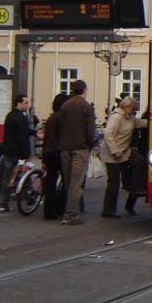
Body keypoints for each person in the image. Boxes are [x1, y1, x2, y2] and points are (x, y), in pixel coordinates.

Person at [100, 96, 149, 217]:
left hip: (124, 150)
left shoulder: (130, 118)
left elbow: (142, 123)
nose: (135, 111)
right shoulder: (116, 118)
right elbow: (108, 135)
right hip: (112, 153)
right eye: (133, 109)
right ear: (127, 107)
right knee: (114, 181)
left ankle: (137, 187)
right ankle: (108, 210)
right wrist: (114, 151)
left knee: (141, 162)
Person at [57, 80, 95, 225]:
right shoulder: (86, 106)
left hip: (65, 147)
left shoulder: (65, 106)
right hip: (80, 148)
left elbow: (62, 127)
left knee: (68, 182)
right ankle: (72, 214)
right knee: (76, 183)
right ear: (84, 90)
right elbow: (90, 130)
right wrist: (90, 145)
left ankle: (69, 211)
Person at [0, 94, 32, 213]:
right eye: (26, 103)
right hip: (17, 153)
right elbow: (23, 137)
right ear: (19, 103)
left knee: (7, 178)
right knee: (26, 175)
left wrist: (34, 132)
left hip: (8, 150)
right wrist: (26, 154)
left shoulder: (10, 116)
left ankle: (3, 203)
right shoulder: (22, 118)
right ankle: (30, 198)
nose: (28, 105)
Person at [41, 93, 69, 221]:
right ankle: (59, 207)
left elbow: (47, 137)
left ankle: (48, 210)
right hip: (58, 151)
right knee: (66, 180)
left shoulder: (51, 117)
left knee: (50, 181)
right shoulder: (62, 117)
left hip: (48, 151)